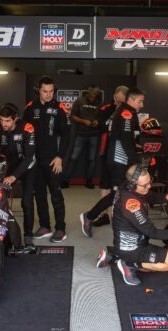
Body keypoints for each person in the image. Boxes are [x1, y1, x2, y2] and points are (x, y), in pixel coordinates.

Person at [98, 164, 168, 286]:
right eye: (145, 185)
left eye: (149, 182)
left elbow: (151, 197)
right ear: (133, 185)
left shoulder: (128, 186)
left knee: (156, 262)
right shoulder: (131, 204)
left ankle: (114, 258)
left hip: (130, 244)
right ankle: (129, 264)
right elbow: (152, 232)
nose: (149, 186)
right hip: (132, 249)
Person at [80, 88, 145, 238]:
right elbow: (126, 140)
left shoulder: (122, 110)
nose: (142, 105)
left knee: (123, 193)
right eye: (140, 101)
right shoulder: (126, 113)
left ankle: (127, 223)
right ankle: (89, 216)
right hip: (119, 160)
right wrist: (136, 162)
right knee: (117, 194)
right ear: (131, 100)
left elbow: (124, 136)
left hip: (117, 158)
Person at [23, 76, 71, 243]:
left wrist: (60, 157)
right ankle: (45, 226)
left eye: (51, 91)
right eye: (45, 91)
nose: (49, 94)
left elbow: (66, 136)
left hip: (53, 160)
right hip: (35, 160)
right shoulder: (30, 108)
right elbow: (24, 131)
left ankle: (61, 229)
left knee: (56, 195)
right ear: (39, 90)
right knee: (40, 195)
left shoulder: (60, 108)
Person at [0, 103, 36, 247]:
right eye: (2, 120)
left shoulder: (27, 128)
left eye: (8, 121)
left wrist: (14, 176)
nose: (4, 124)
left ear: (15, 119)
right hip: (7, 166)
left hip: (27, 166)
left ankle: (28, 235)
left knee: (27, 201)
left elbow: (29, 157)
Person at [91, 85, 129, 227]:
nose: (119, 103)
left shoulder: (129, 111)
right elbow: (100, 126)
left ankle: (117, 215)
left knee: (121, 185)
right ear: (114, 96)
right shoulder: (105, 109)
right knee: (105, 183)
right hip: (106, 150)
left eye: (122, 101)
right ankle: (104, 214)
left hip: (123, 154)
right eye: (117, 100)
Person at [63, 84, 103, 188]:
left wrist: (97, 121)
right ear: (89, 91)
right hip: (81, 134)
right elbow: (72, 116)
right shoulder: (80, 101)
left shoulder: (99, 103)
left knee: (92, 160)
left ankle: (89, 181)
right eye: (93, 91)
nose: (94, 93)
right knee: (73, 158)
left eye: (96, 92)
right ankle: (65, 180)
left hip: (94, 135)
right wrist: (83, 121)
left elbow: (101, 118)